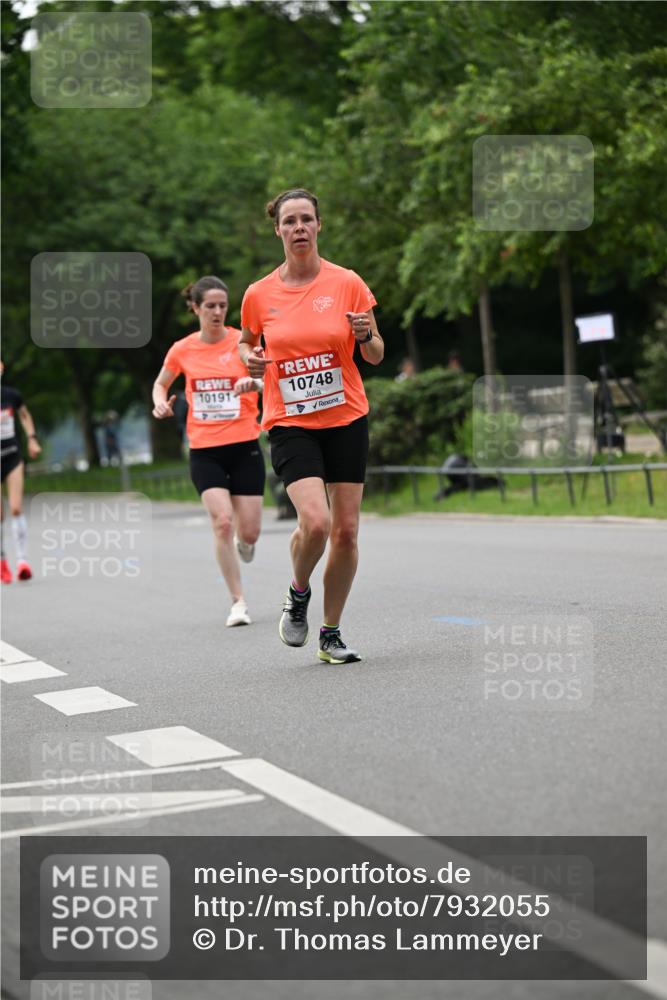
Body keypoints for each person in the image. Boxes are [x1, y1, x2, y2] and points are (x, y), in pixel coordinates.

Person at [239, 188, 384, 664]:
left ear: (319, 225)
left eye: (306, 219)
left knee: (346, 532)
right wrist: (250, 360)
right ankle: (298, 592)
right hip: (290, 421)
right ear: (277, 230)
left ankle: (331, 633)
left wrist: (367, 335)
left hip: (346, 417)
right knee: (317, 523)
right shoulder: (259, 294)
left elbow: (375, 353)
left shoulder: (348, 283)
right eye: (290, 221)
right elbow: (246, 343)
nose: (299, 227)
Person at [152, 276, 265, 627]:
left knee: (249, 532)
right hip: (205, 449)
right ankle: (238, 602)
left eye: (222, 306)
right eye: (210, 306)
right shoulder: (182, 349)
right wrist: (159, 403)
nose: (217, 312)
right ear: (195, 308)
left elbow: (269, 380)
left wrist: (253, 382)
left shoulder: (242, 342)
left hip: (244, 444)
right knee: (222, 522)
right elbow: (160, 384)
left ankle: (245, 541)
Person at [1, 360, 41, 583]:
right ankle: (2, 561)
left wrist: (32, 439)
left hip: (12, 456)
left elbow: (24, 415)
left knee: (16, 508)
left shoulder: (11, 395)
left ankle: (22, 561)